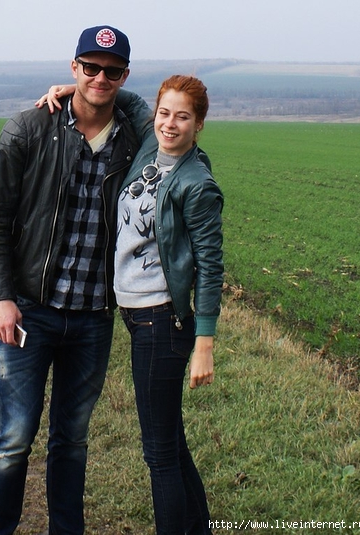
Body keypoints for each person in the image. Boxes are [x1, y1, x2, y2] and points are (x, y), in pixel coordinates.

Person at [0, 25, 150, 535]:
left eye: (112, 71)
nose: (100, 78)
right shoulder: (28, 129)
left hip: (94, 318)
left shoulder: (134, 139)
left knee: (72, 439)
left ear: (125, 76)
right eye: (90, 68)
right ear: (73, 67)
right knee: (14, 437)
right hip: (31, 311)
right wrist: (0, 298)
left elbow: (161, 113)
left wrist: (99, 90)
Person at [38, 75, 224, 534]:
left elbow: (211, 267)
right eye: (165, 113)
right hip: (138, 316)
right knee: (172, 443)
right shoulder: (149, 146)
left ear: (199, 124)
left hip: (162, 320)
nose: (170, 124)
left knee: (159, 454)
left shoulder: (196, 184)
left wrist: (204, 343)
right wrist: (73, 89)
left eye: (183, 117)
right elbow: (125, 95)